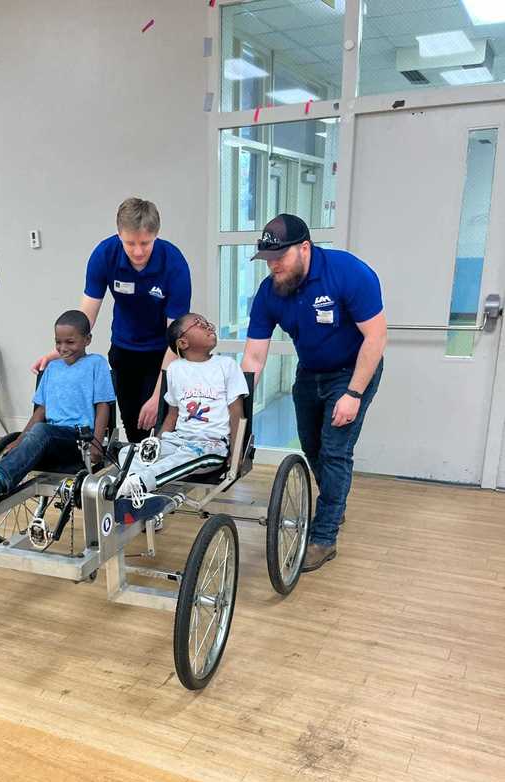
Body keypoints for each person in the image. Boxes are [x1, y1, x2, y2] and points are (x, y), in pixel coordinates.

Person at [242, 214, 386, 572]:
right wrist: (240, 408)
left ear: (304, 248)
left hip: (353, 371)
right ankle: (334, 504)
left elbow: (376, 337)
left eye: (280, 257)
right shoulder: (270, 291)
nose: (273, 266)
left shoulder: (348, 273)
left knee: (335, 452)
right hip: (310, 372)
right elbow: (255, 357)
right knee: (312, 448)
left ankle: (324, 537)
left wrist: (353, 394)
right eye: (268, 259)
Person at [31, 198, 191, 442]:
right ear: (119, 235)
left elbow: (176, 337)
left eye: (145, 243)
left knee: (159, 422)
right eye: (130, 243)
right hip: (124, 349)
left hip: (163, 351)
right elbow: (85, 317)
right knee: (133, 424)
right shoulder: (105, 255)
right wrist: (60, 351)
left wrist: (158, 395)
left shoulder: (174, 263)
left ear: (156, 235)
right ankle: (134, 461)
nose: (138, 251)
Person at [0, 310, 115, 506]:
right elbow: (41, 411)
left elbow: (103, 405)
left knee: (42, 431)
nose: (63, 348)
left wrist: (96, 443)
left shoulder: (96, 363)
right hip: (50, 437)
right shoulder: (52, 368)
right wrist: (19, 440)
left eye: (70, 342)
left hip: (79, 440)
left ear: (87, 339)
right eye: (58, 342)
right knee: (38, 433)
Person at [114, 313, 248, 519]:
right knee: (130, 452)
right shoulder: (175, 369)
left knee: (184, 457)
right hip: (178, 440)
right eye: (199, 324)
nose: (208, 326)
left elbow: (236, 413)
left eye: (207, 322)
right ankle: (140, 493)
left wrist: (235, 453)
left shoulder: (226, 365)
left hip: (211, 444)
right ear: (183, 342)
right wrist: (156, 444)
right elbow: (172, 415)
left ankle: (137, 485)